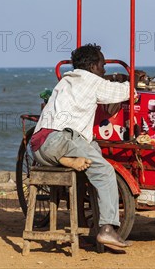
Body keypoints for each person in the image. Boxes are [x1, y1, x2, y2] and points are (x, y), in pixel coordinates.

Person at [29, 44, 133, 251]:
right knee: (104, 171)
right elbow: (124, 92)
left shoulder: (66, 80)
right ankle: (106, 230)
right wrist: (135, 80)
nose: (104, 70)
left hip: (39, 146)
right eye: (103, 66)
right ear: (94, 66)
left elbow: (99, 86)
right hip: (60, 140)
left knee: (90, 147)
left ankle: (67, 161)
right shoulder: (93, 81)